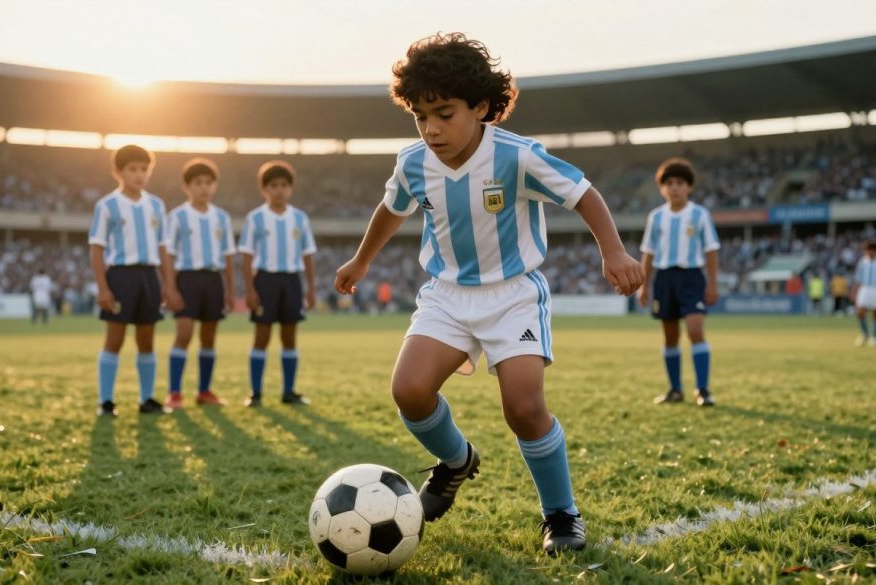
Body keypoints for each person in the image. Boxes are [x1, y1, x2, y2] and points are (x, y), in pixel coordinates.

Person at [334, 33, 643, 555]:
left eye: (445, 113)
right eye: (420, 116)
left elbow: (582, 193)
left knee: (523, 408)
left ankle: (560, 513)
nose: (431, 129)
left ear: (481, 106)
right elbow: (392, 208)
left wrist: (612, 251)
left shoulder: (517, 157)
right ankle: (456, 461)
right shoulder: (413, 162)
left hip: (513, 296)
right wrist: (361, 259)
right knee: (409, 390)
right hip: (447, 294)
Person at [88, 145, 177, 416]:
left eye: (144, 169)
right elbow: (97, 248)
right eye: (133, 169)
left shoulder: (156, 205)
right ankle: (106, 401)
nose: (139, 175)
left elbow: (163, 248)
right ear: (118, 172)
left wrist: (169, 284)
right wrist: (103, 287)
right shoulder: (107, 205)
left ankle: (147, 399)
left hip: (148, 276)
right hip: (120, 276)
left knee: (146, 339)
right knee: (115, 339)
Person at [637, 158, 721, 407]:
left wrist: (713, 283)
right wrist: (644, 284)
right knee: (670, 336)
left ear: (689, 187)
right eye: (669, 183)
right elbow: (648, 252)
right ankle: (675, 389)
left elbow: (711, 250)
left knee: (695, 330)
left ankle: (703, 390)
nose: (674, 188)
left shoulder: (699, 215)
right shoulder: (656, 217)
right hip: (664, 279)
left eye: (680, 183)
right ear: (662, 188)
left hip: (691, 277)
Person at [238, 161, 317, 407]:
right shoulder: (256, 218)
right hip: (265, 281)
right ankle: (256, 393)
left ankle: (289, 391)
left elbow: (308, 255)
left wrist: (311, 288)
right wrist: (250, 290)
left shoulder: (300, 218)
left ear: (290, 189)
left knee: (289, 337)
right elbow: (247, 256)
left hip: (291, 281)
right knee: (261, 336)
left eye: (283, 185)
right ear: (264, 189)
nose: (279, 191)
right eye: (273, 186)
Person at [163, 158, 236, 409]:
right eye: (198, 183)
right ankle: (174, 393)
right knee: (183, 335)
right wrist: (170, 288)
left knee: (209, 338)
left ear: (214, 186)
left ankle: (204, 391)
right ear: (187, 187)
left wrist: (229, 291)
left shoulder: (222, 217)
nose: (203, 188)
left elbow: (228, 256)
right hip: (187, 279)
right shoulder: (177, 216)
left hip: (213, 280)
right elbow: (169, 254)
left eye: (208, 183)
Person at [851, 241, 876, 347]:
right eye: (866, 250)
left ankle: (875, 337)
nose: (868, 253)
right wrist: (854, 292)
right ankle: (864, 334)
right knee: (860, 312)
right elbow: (858, 279)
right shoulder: (862, 262)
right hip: (865, 289)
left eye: (870, 250)